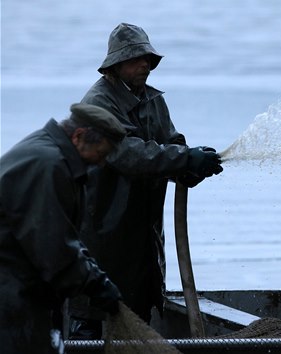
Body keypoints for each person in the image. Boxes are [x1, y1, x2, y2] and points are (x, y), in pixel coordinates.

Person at [68, 23, 223, 338]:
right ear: (116, 64)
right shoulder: (97, 103)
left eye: (149, 59)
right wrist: (182, 158)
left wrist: (192, 164)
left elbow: (170, 143)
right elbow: (126, 154)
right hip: (103, 238)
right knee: (94, 322)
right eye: (137, 59)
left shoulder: (153, 100)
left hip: (143, 241)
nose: (145, 66)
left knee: (137, 321)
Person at [0, 104, 126, 354]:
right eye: (101, 153)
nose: (102, 164)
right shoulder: (49, 165)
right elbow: (52, 248)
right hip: (10, 294)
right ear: (78, 136)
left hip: (20, 286)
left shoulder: (50, 151)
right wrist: (94, 285)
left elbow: (63, 233)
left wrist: (94, 274)